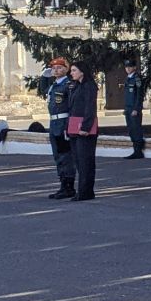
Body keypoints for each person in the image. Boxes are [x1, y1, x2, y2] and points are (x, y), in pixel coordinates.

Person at [38, 57, 77, 197]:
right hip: (54, 123)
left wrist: (68, 126)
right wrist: (44, 75)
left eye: (59, 67)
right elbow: (42, 90)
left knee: (66, 156)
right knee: (58, 156)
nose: (56, 70)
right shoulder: (54, 85)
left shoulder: (68, 85)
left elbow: (72, 106)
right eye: (54, 68)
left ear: (66, 69)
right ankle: (62, 184)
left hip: (63, 123)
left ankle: (69, 187)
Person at [64, 62, 100, 199]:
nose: (71, 73)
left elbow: (90, 108)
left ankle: (85, 192)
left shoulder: (89, 86)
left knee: (86, 161)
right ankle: (84, 190)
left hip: (85, 129)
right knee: (79, 160)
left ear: (82, 72)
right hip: (74, 127)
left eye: (74, 70)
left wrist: (85, 127)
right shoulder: (76, 86)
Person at [120, 57, 147, 159]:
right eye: (126, 67)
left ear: (134, 67)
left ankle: (138, 151)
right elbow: (128, 95)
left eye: (130, 67)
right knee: (131, 129)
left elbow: (139, 95)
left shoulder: (137, 78)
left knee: (136, 129)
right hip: (128, 108)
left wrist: (136, 108)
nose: (127, 69)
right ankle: (135, 149)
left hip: (134, 109)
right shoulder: (128, 78)